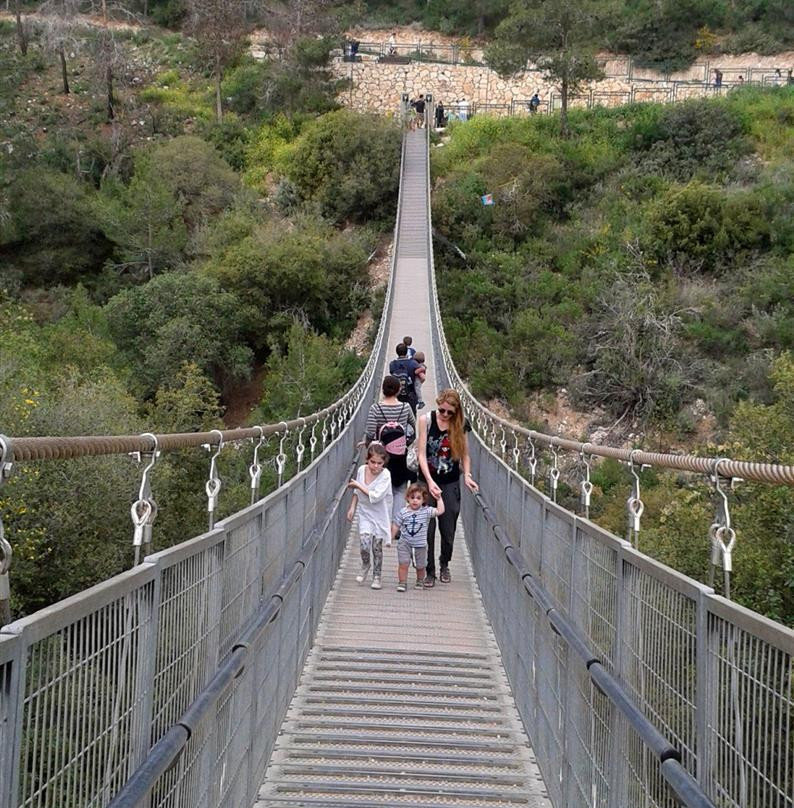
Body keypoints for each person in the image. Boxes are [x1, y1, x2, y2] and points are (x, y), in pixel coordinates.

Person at [417, 389, 478, 587]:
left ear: (456, 411)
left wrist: (467, 476)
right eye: (442, 410)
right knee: (427, 527)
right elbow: (420, 454)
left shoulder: (461, 425)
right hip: (427, 480)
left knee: (448, 527)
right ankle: (430, 571)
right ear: (438, 405)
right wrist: (429, 481)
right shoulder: (426, 420)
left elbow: (465, 455)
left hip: (450, 481)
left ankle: (445, 563)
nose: (445, 415)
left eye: (449, 412)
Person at [364, 375, 417, 520]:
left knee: (380, 488)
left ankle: (381, 522)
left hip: (380, 456)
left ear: (383, 390)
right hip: (400, 454)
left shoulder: (375, 408)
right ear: (399, 390)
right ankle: (396, 525)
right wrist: (407, 442)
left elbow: (369, 432)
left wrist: (370, 447)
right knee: (399, 490)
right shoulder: (405, 407)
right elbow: (414, 425)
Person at [347, 443, 393, 590]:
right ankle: (365, 564)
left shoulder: (386, 475)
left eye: (380, 463)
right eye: (372, 462)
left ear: (384, 463)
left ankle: (377, 576)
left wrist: (358, 486)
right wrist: (352, 507)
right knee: (365, 543)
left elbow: (377, 496)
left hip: (380, 514)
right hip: (365, 512)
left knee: (377, 547)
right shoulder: (361, 470)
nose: (375, 466)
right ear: (367, 460)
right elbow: (357, 492)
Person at [392, 483, 444, 592]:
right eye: (412, 498)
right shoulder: (403, 512)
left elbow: (440, 511)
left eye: (418, 498)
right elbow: (396, 525)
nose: (415, 500)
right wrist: (390, 537)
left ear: (423, 500)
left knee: (421, 566)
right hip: (405, 543)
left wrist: (439, 499)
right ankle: (402, 582)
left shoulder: (426, 511)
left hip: (420, 544)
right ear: (407, 499)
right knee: (403, 563)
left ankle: (420, 580)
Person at [389, 343, 420, 413]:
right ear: (407, 352)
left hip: (396, 395)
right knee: (411, 417)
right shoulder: (413, 363)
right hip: (411, 395)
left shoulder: (392, 364)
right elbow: (421, 376)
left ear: (396, 352)